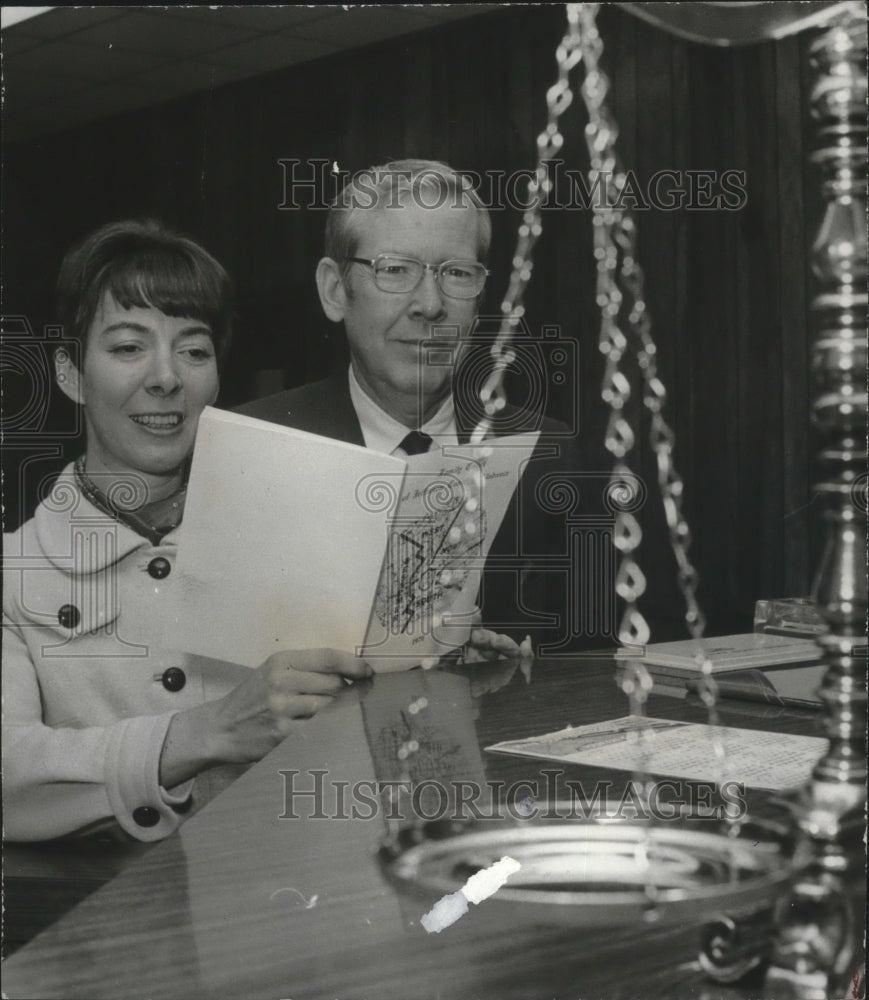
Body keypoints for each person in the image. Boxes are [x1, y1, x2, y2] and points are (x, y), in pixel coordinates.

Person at [2, 220, 372, 844]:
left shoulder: (296, 537)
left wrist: (427, 650)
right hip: (107, 904)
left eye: (194, 351)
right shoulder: (14, 572)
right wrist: (206, 732)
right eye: (128, 347)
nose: (167, 378)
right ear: (70, 374)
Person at [237, 159, 581, 648]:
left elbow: (598, 660)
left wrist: (521, 677)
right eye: (396, 270)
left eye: (456, 273)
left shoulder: (549, 456)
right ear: (335, 291)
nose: (430, 305)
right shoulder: (255, 452)